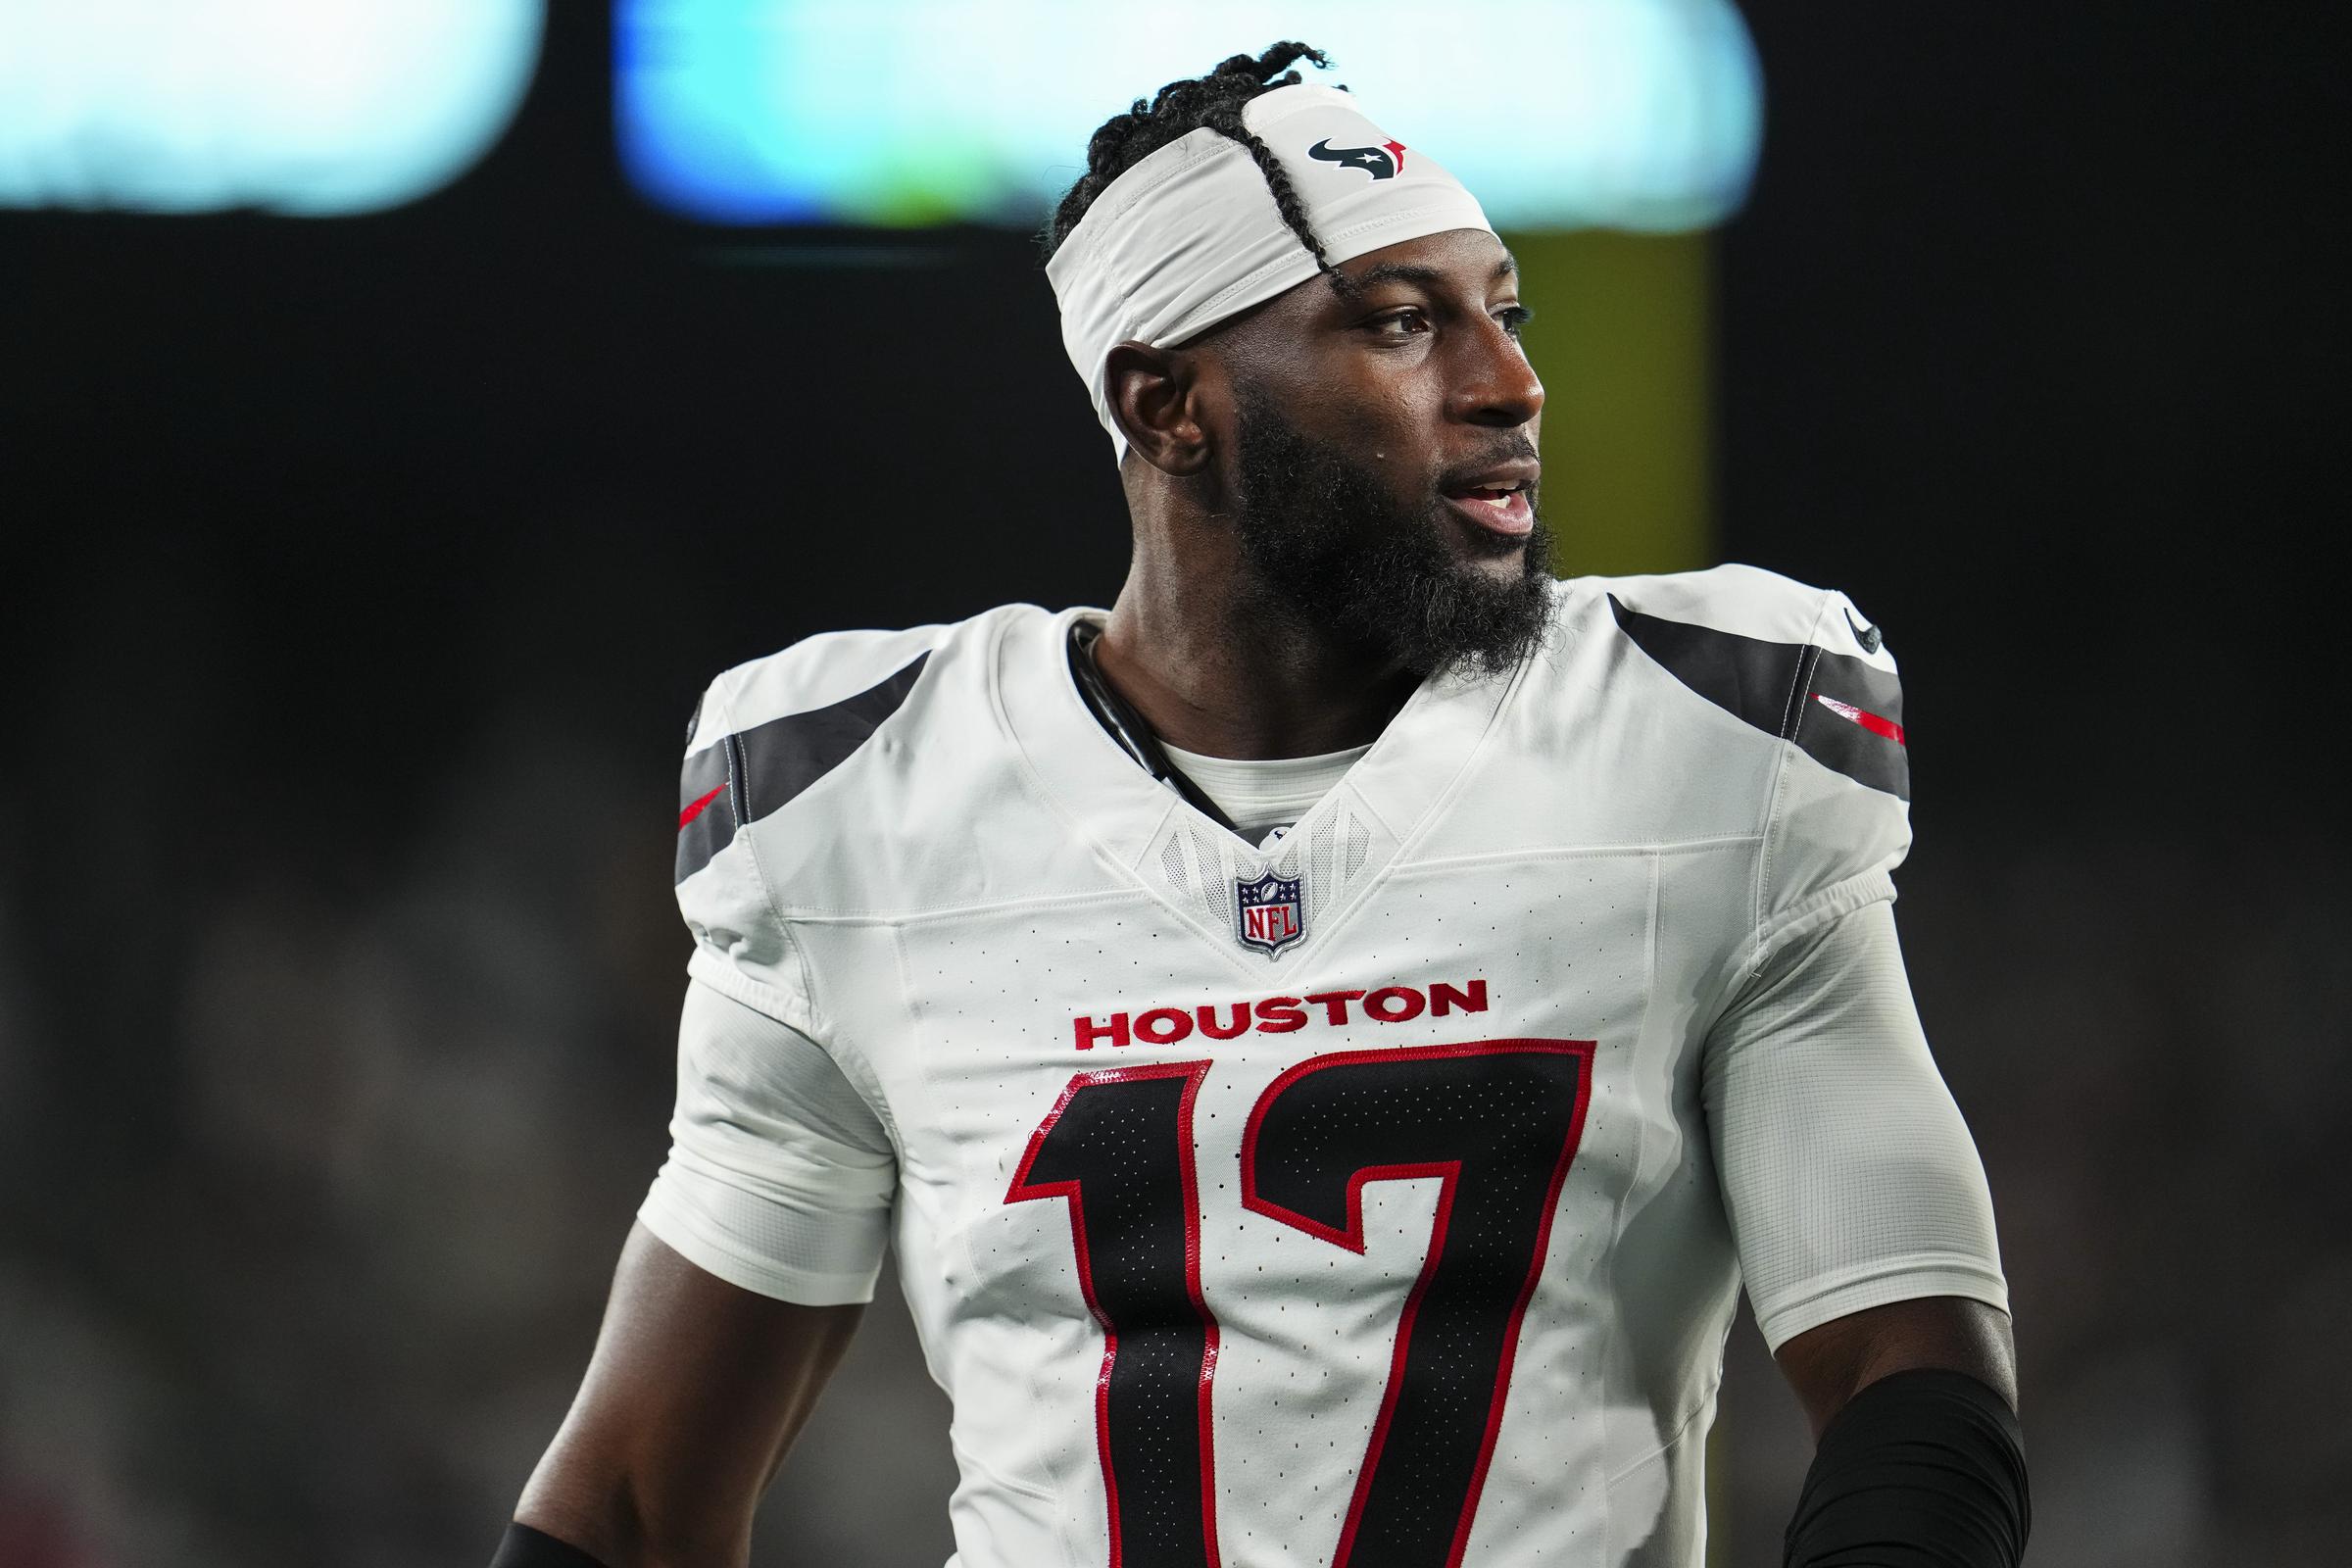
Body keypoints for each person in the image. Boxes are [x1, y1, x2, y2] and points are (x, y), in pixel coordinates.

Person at [493, 43, 2029, 1568]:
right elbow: (629, 1501)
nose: (1509, 383)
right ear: (1169, 407)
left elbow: (1918, 1382)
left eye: (1504, 311)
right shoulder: (856, 806)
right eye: (1403, 324)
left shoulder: (1704, 738)